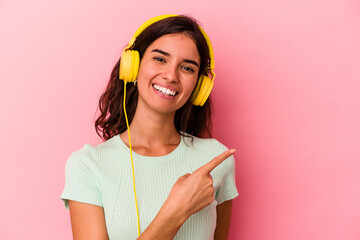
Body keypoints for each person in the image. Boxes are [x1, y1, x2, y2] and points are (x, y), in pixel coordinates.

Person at [61, 14, 239, 240]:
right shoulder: (88, 166)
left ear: (199, 85)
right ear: (132, 66)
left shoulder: (216, 159)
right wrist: (175, 212)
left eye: (187, 68)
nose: (171, 75)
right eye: (160, 59)